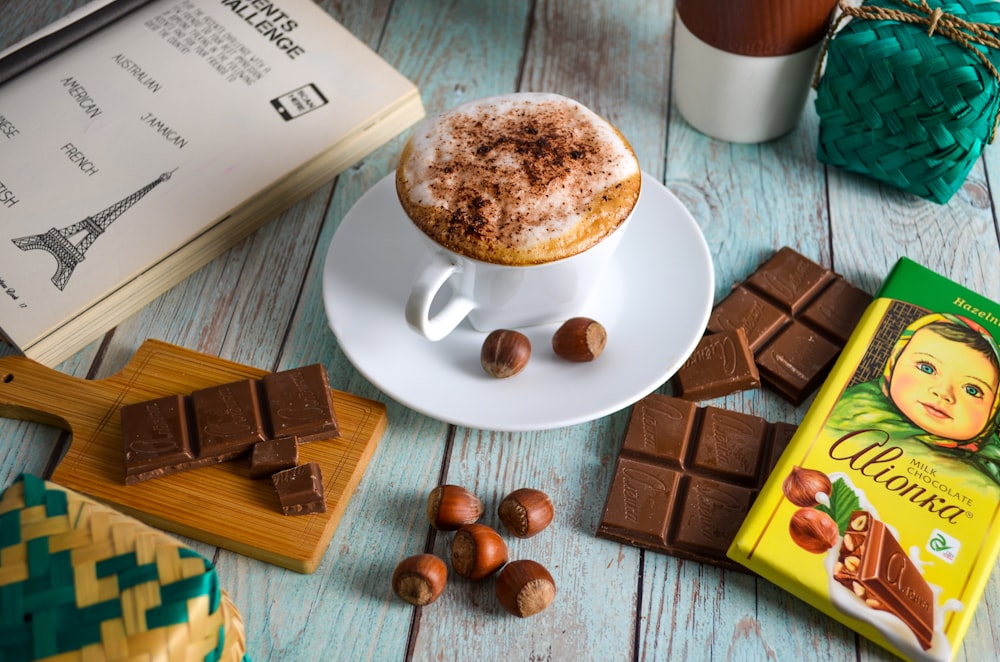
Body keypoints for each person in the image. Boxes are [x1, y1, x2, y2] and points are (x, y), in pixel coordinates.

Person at [827, 313, 1000, 486]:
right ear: (894, 361)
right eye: (927, 368)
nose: (942, 392)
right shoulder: (848, 412)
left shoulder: (989, 475)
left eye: (972, 390)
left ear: (994, 409)